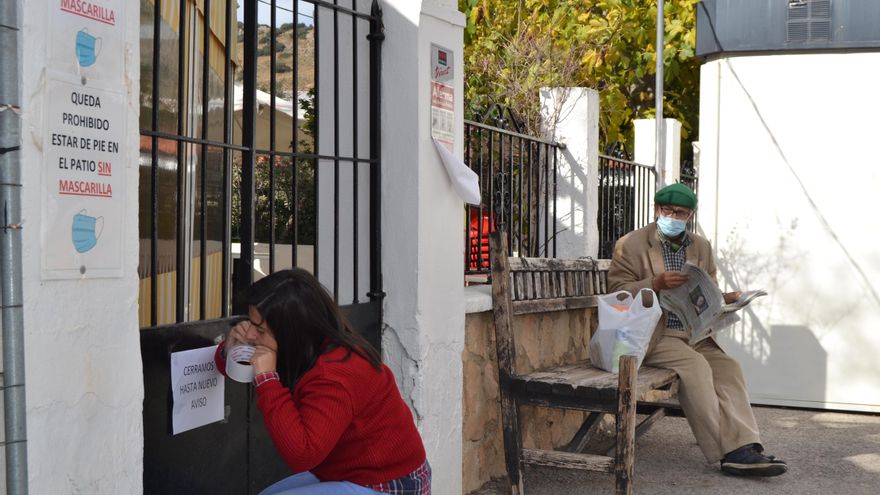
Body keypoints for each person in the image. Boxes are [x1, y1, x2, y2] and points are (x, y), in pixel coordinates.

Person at [606, 183, 787, 477]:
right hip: (655, 334)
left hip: (694, 333)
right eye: (667, 210)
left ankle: (748, 445)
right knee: (696, 368)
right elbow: (616, 292)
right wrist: (655, 283)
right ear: (656, 209)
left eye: (681, 212)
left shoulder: (700, 246)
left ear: (690, 215)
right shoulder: (631, 244)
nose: (673, 216)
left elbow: (709, 288)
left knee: (729, 368)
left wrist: (726, 298)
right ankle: (728, 453)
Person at [215, 268, 431, 494]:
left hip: (390, 484)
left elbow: (303, 454)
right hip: (350, 474)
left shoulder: (335, 373)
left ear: (291, 331)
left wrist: (267, 379)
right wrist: (231, 349)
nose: (250, 335)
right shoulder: (302, 347)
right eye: (251, 323)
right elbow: (237, 370)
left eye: (260, 330)